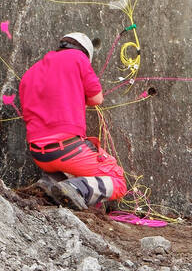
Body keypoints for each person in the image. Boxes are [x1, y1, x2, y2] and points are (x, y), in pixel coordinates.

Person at [18, 31, 128, 210]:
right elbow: (97, 99)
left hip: (39, 153)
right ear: (85, 53)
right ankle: (75, 188)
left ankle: (50, 182)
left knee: (76, 166)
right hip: (66, 148)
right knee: (117, 179)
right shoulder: (78, 59)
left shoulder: (30, 73)